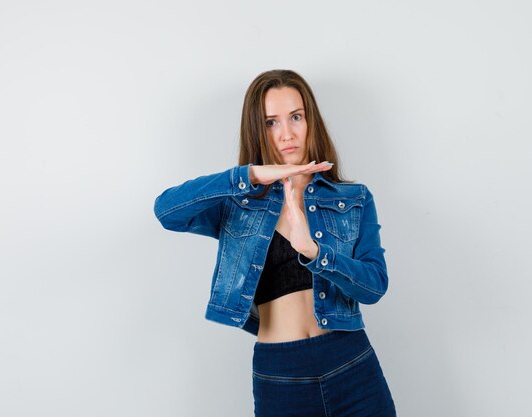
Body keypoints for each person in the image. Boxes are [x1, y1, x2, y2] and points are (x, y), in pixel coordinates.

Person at [154, 69, 396, 416]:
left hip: (351, 364)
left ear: (310, 120)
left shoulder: (353, 199)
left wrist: (314, 252)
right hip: (280, 375)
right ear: (258, 129)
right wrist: (250, 176)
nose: (287, 134)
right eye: (271, 122)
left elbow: (374, 286)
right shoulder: (238, 205)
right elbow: (167, 211)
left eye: (296, 117)